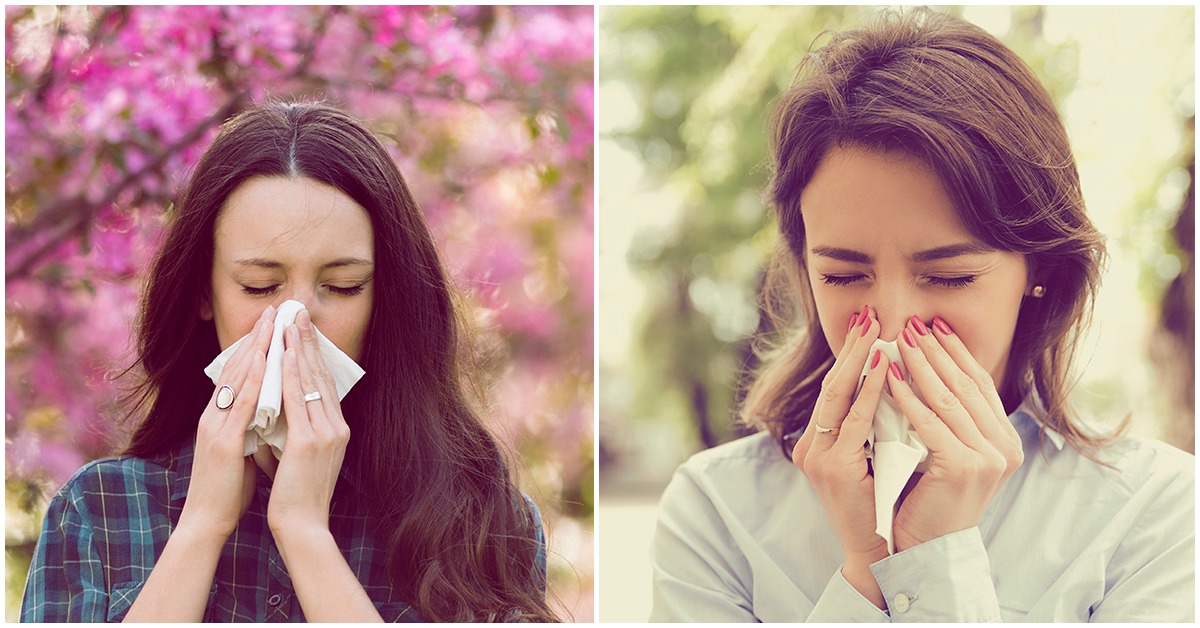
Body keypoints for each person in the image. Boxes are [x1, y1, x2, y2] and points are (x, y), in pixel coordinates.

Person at [650, 9, 1194, 622]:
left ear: (1039, 272)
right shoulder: (717, 511)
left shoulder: (1154, 510)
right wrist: (865, 565)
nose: (887, 326)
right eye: (844, 276)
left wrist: (936, 559)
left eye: (948, 276)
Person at [20, 102, 560, 622]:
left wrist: (304, 533)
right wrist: (202, 525)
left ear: (384, 298)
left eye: (342, 286)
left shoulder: (481, 526)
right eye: (260, 286)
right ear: (203, 293)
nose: (296, 321)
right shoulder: (98, 512)